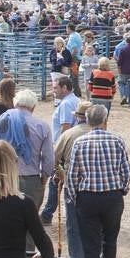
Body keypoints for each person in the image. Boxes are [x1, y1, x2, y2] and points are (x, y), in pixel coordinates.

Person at [64, 104, 130, 258]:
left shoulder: (80, 142)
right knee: (110, 239)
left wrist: (75, 197)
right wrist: (121, 190)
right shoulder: (117, 140)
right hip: (112, 196)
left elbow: (72, 175)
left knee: (90, 243)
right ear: (105, 120)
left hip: (88, 197)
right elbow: (126, 171)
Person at [0, 89, 52, 254]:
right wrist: (44, 178)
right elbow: (48, 159)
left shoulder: (0, 122)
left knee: (2, 221)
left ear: (15, 104)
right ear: (33, 107)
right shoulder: (42, 126)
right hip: (30, 180)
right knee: (30, 223)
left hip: (2, 178)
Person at [51, 99, 92, 258]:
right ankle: (97, 254)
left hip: (72, 182)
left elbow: (52, 158)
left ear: (78, 116)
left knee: (73, 222)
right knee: (94, 222)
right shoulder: (104, 134)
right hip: (95, 184)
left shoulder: (68, 134)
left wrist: (60, 174)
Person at [39, 76, 79, 226]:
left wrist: (59, 150)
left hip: (64, 146)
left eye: (56, 88)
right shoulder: (74, 101)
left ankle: (48, 213)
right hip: (71, 147)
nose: (53, 91)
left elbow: (65, 127)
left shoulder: (66, 104)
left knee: (55, 180)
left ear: (64, 88)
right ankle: (48, 213)